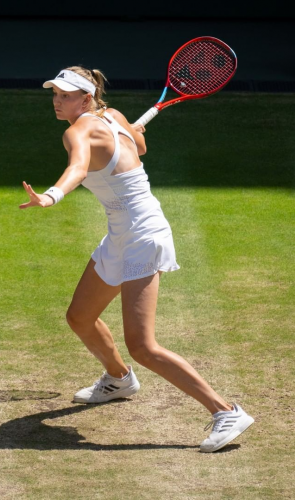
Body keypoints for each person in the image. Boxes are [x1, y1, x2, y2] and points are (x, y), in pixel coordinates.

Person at [19, 66, 254, 452]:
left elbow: (78, 167)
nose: (57, 101)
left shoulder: (77, 131)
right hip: (122, 233)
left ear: (87, 98)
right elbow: (139, 149)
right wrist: (131, 136)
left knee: (143, 345)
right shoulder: (113, 117)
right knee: (79, 316)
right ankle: (119, 378)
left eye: (65, 95)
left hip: (142, 236)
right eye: (55, 94)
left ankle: (226, 410)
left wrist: (50, 196)